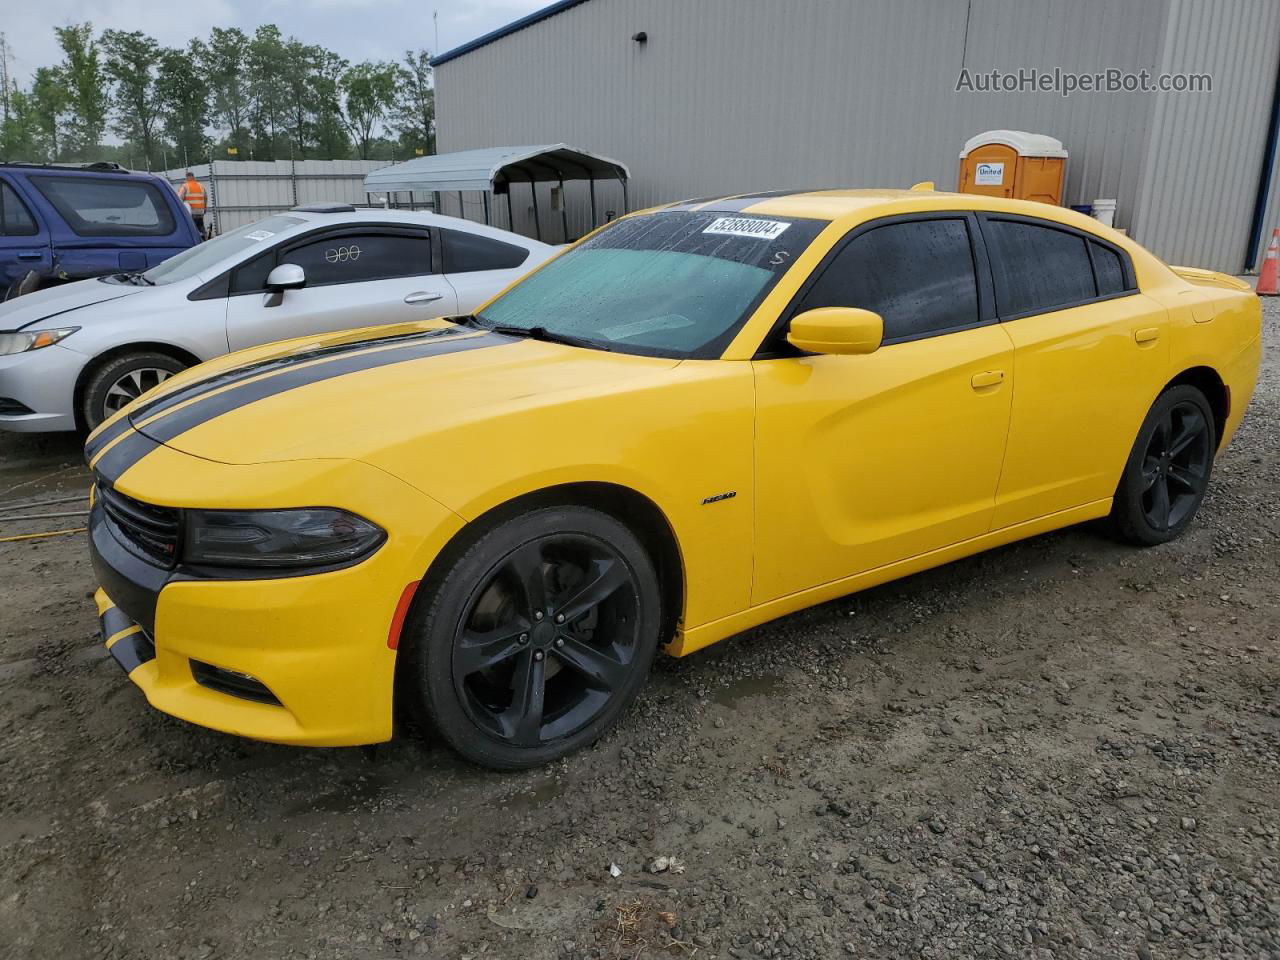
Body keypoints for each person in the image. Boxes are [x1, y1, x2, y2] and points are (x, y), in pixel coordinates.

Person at [177, 171, 207, 238]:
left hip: (191, 212)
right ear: (194, 177)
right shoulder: (201, 186)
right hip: (200, 211)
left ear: (187, 177)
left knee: (191, 229)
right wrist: (205, 209)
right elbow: (205, 198)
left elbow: (179, 199)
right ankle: (205, 238)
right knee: (200, 225)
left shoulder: (185, 186)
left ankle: (194, 242)